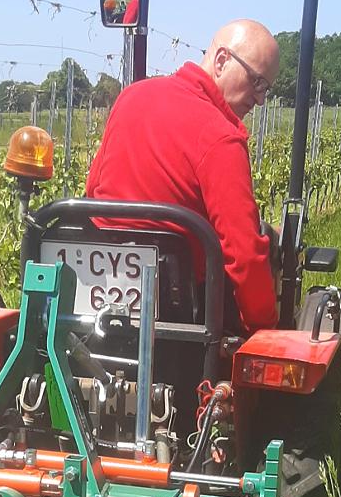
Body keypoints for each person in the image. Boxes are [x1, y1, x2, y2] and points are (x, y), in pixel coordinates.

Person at [86, 19, 280, 332]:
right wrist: (265, 328)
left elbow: (93, 191)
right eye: (256, 82)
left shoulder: (131, 97)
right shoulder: (221, 137)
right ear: (221, 61)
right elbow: (244, 254)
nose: (259, 99)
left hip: (102, 300)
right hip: (182, 315)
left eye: (265, 89)